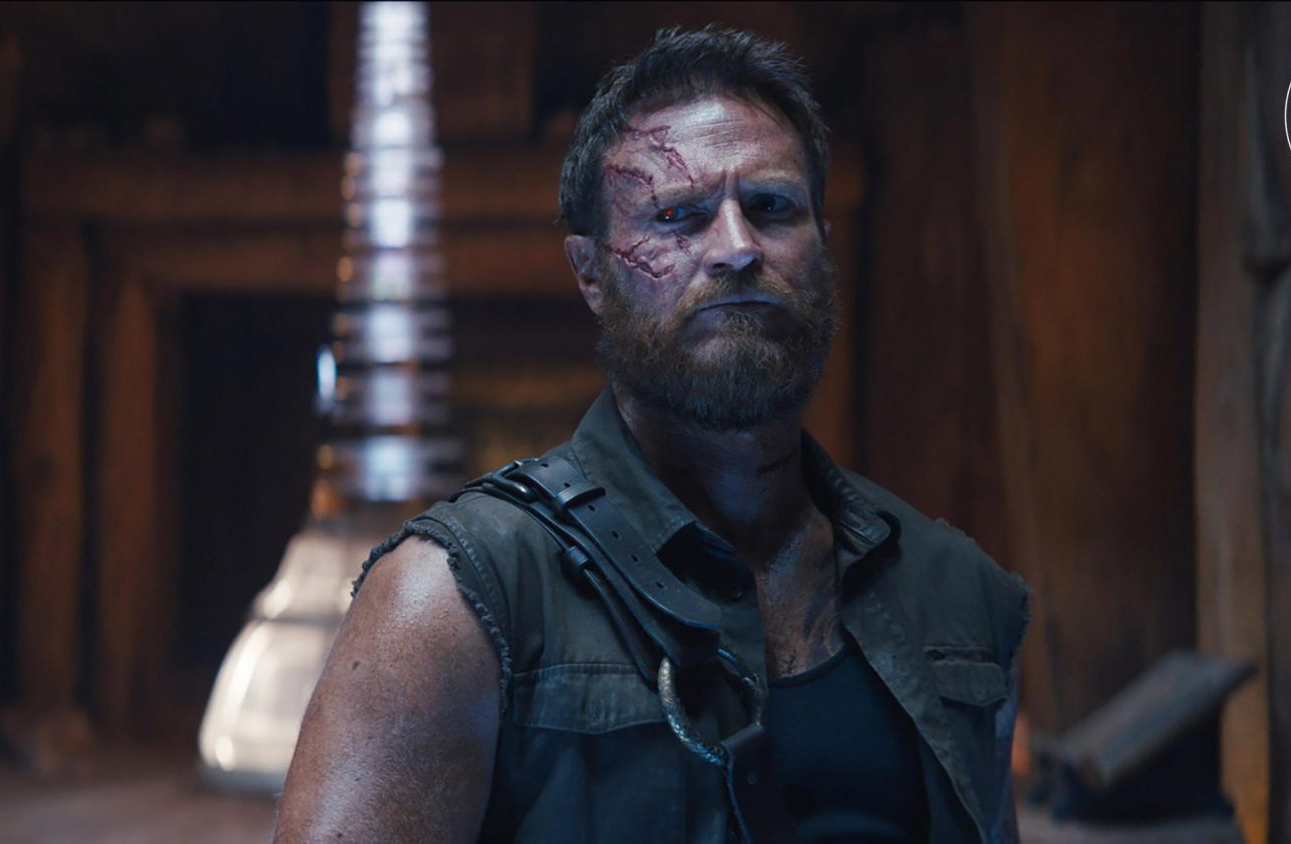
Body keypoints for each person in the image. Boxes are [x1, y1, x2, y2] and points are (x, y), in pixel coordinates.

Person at [276, 26, 1028, 844]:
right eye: (677, 216)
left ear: (823, 244)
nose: (737, 249)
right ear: (591, 273)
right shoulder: (455, 599)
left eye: (772, 208)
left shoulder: (959, 592)